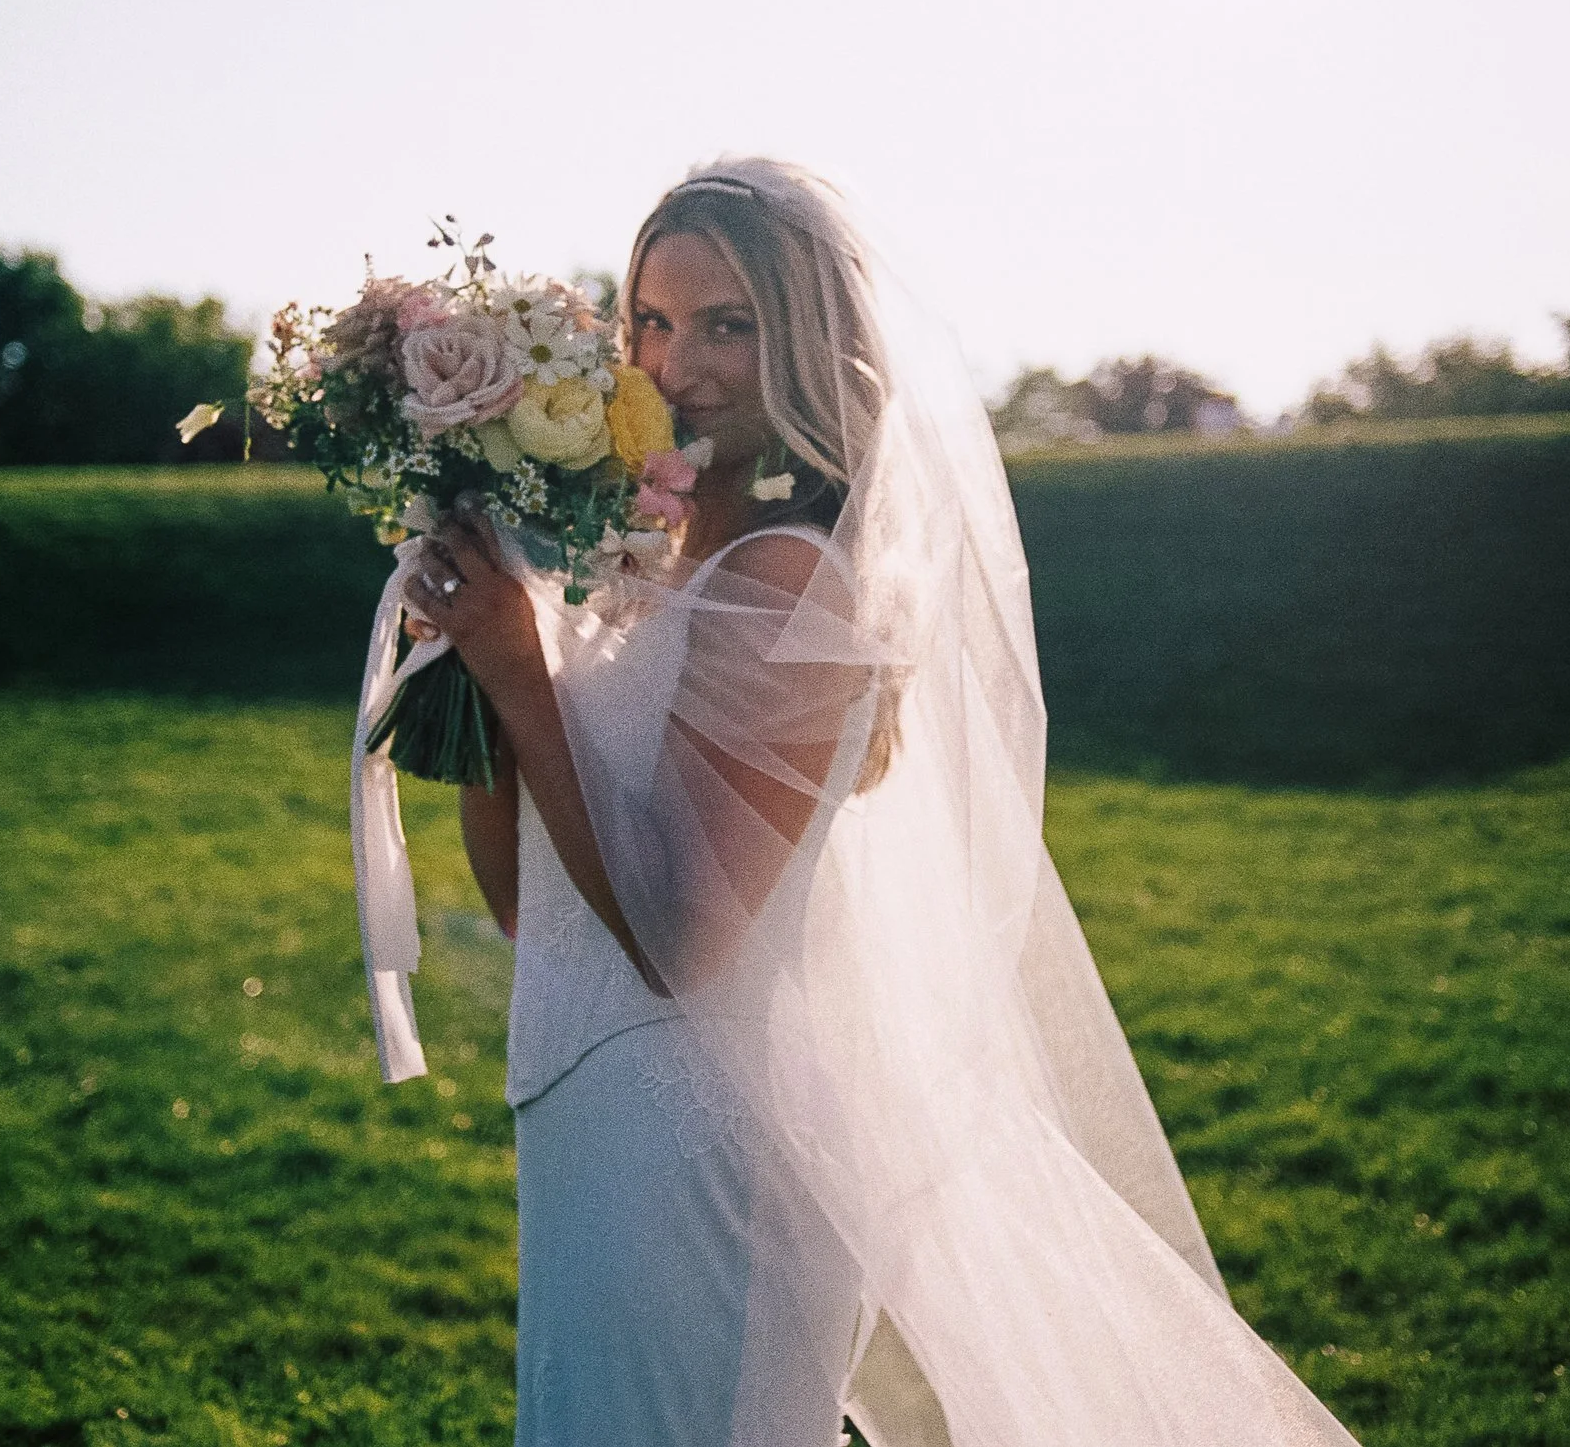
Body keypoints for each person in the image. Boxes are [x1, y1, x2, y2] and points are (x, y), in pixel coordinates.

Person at [404, 159, 1360, 1447]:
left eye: (729, 325)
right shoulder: (640, 576)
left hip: (706, 1153)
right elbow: (527, 909)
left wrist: (524, 679)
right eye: (651, 322)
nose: (675, 365)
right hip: (591, 1122)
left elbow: (684, 941)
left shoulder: (781, 583)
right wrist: (481, 686)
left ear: (806, 349)